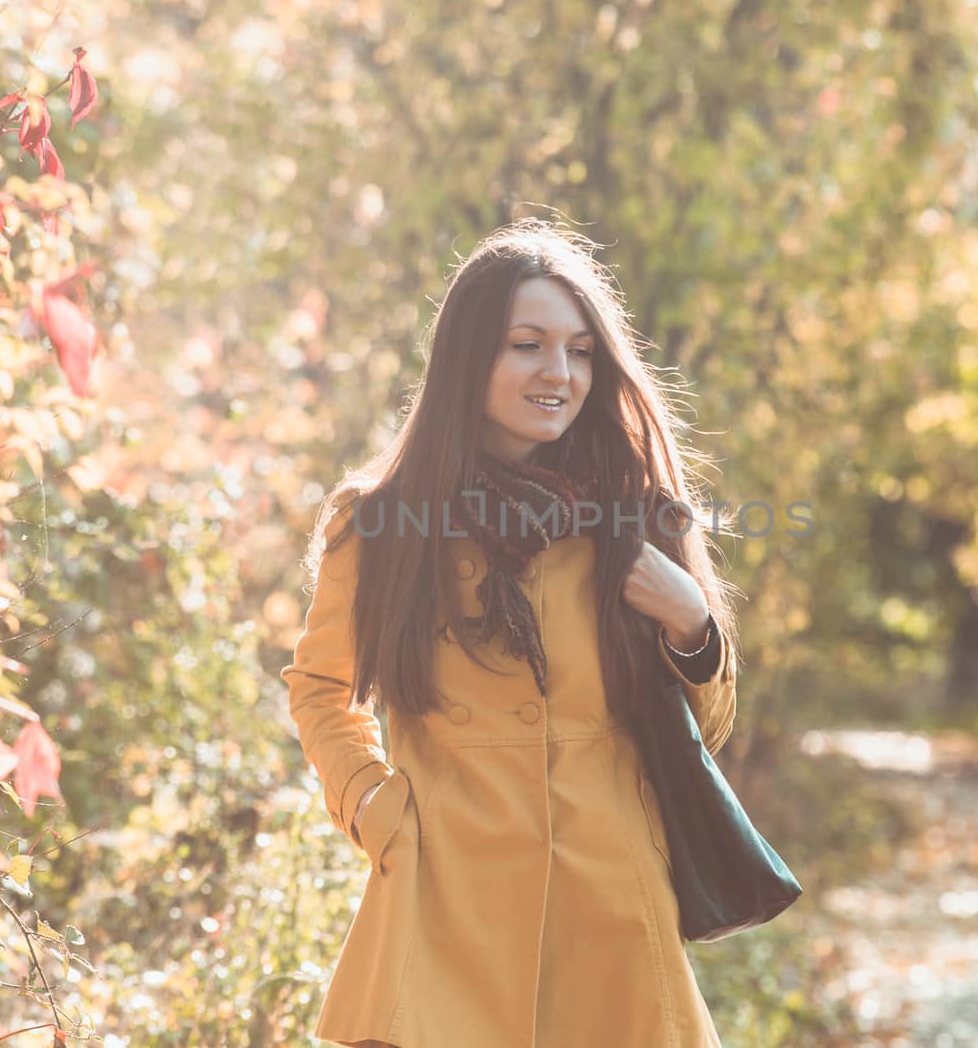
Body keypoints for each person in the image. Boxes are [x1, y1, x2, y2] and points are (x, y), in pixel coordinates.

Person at [281, 218, 740, 1048]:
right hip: (445, 905)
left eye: (579, 351)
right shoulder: (381, 521)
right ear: (469, 357)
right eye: (527, 344)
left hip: (612, 919)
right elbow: (321, 690)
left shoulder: (636, 515)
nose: (557, 373)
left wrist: (692, 620)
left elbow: (700, 731)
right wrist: (382, 811)